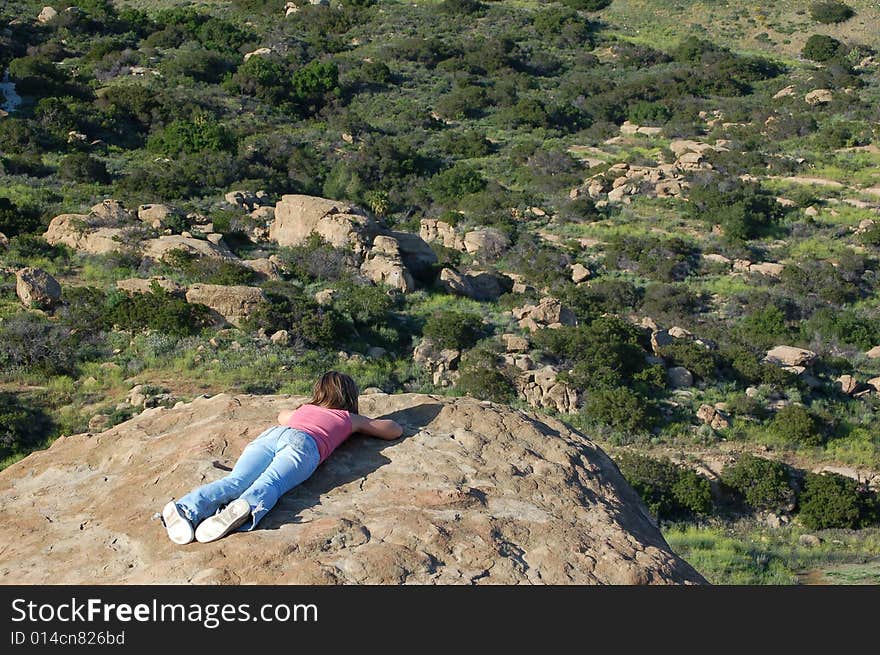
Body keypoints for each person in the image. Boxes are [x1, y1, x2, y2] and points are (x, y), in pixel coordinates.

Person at [160, 371, 403, 544]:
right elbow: (391, 430)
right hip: (305, 445)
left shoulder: (304, 410)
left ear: (318, 392)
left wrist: (302, 414)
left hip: (273, 435)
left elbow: (281, 416)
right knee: (271, 484)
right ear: (350, 397)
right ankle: (242, 508)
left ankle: (185, 508)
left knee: (235, 480)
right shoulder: (348, 419)